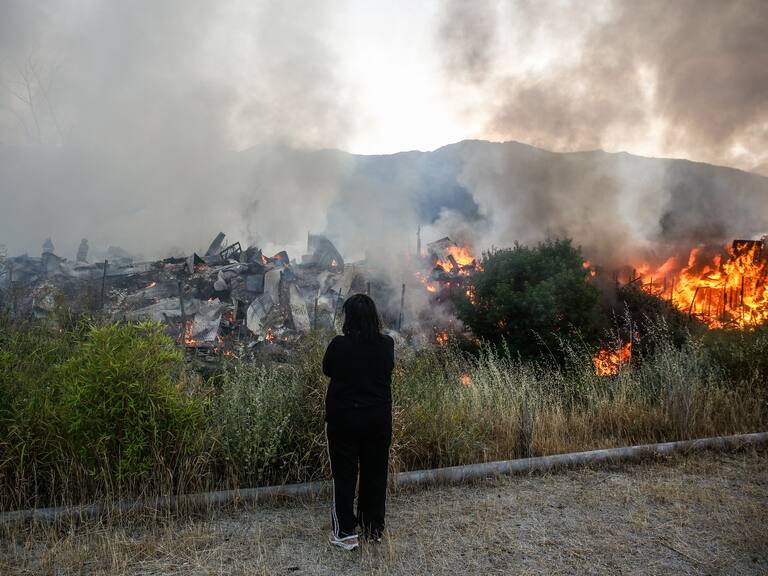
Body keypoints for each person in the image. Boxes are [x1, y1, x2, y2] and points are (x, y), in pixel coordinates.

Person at [322, 293, 395, 551]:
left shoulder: (339, 345)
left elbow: (327, 370)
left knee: (344, 476)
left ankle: (345, 532)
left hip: (344, 419)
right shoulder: (387, 344)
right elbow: (387, 369)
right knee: (375, 474)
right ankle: (372, 528)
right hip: (377, 420)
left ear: (348, 317)